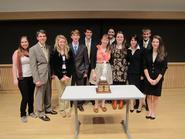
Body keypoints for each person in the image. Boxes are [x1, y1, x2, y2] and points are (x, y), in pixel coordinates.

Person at [29, 29, 57, 122]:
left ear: (46, 37)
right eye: (40, 36)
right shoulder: (33, 49)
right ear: (37, 38)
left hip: (48, 74)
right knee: (40, 94)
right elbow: (33, 66)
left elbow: (50, 62)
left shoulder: (48, 47)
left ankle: (48, 108)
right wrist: (36, 79)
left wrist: (52, 73)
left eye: (44, 36)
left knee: (48, 92)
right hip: (40, 76)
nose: (42, 38)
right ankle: (40, 112)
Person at [12, 36, 36, 123]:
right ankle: (22, 114)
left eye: (25, 42)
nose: (24, 43)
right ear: (20, 43)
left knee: (31, 96)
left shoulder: (31, 51)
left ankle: (31, 111)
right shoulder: (17, 52)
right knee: (25, 96)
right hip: (22, 78)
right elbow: (14, 66)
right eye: (22, 42)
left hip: (31, 77)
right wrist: (15, 78)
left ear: (28, 42)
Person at [144, 35, 167, 120]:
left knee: (156, 96)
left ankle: (153, 112)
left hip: (158, 79)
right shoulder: (147, 52)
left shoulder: (163, 54)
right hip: (148, 78)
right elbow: (145, 66)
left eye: (157, 42)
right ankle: (149, 111)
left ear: (159, 43)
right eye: (153, 41)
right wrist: (149, 78)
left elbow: (164, 68)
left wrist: (157, 80)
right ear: (151, 42)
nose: (155, 43)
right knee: (149, 96)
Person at [89, 34, 112, 113]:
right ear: (101, 40)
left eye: (107, 40)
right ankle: (96, 104)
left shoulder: (109, 49)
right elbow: (92, 61)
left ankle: (103, 104)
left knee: (105, 86)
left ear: (108, 41)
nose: (105, 41)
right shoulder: (97, 48)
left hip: (106, 68)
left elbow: (110, 60)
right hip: (97, 68)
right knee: (97, 86)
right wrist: (93, 72)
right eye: (104, 39)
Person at [51, 35, 73, 118]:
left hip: (68, 76)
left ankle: (67, 109)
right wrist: (61, 77)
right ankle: (62, 109)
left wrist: (67, 75)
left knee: (68, 93)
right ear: (58, 42)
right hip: (58, 76)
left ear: (65, 42)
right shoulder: (54, 52)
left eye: (63, 41)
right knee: (61, 93)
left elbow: (71, 64)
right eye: (60, 42)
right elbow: (54, 66)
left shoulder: (69, 51)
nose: (62, 43)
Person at [69, 29, 89, 112]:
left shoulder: (83, 47)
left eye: (77, 35)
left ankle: (80, 104)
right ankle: (70, 103)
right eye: (74, 35)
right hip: (70, 72)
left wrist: (85, 72)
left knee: (81, 89)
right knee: (70, 88)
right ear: (71, 37)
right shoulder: (68, 46)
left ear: (79, 37)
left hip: (81, 72)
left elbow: (86, 61)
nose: (75, 37)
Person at [127, 34, 144, 113]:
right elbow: (127, 61)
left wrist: (142, 74)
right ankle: (131, 105)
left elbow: (143, 63)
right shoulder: (128, 50)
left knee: (139, 90)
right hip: (130, 73)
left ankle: (140, 106)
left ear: (137, 41)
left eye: (134, 40)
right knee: (131, 90)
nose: (133, 41)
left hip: (138, 74)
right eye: (131, 40)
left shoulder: (141, 50)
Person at [110, 31, 128, 110]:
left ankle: (121, 100)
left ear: (123, 38)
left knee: (122, 86)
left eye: (121, 37)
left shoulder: (126, 47)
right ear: (116, 38)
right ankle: (114, 100)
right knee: (114, 85)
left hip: (123, 69)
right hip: (114, 68)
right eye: (118, 37)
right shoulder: (112, 46)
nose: (119, 38)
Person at [81, 28, 97, 105]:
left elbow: (94, 56)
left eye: (90, 32)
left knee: (92, 83)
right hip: (83, 66)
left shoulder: (95, 43)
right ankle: (83, 99)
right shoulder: (81, 42)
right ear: (85, 33)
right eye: (87, 32)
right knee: (83, 83)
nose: (89, 34)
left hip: (92, 65)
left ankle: (92, 98)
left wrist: (93, 67)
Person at [139, 28, 152, 111]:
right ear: (142, 35)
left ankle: (148, 104)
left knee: (148, 88)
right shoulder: (139, 43)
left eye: (147, 34)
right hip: (140, 69)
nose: (146, 35)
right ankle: (138, 104)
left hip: (149, 70)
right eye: (144, 34)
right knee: (140, 87)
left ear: (150, 35)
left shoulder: (153, 43)